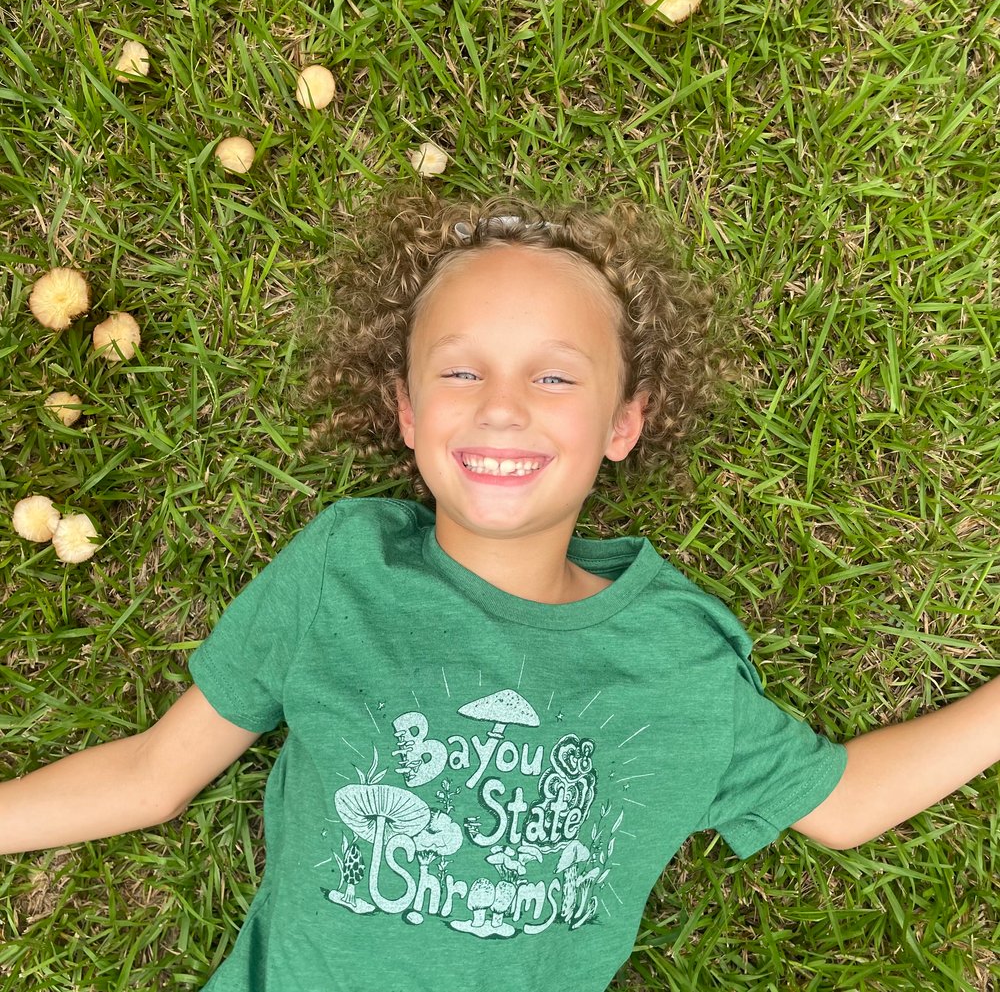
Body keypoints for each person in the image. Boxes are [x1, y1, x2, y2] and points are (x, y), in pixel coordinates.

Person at [3, 194, 998, 992]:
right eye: (461, 370)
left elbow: (843, 801)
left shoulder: (671, 659)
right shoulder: (344, 570)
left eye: (556, 378)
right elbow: (153, 774)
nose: (503, 405)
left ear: (625, 421)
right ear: (404, 409)